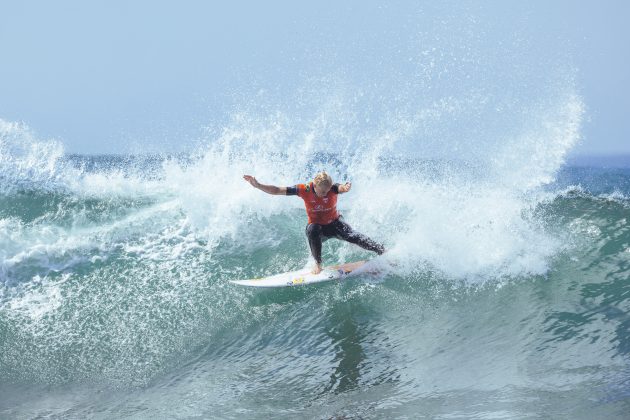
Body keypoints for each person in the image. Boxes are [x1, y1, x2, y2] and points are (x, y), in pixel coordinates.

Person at [243, 171, 385, 274]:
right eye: (322, 191)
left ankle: (382, 250)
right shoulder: (304, 189)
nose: (326, 193)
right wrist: (258, 185)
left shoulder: (332, 188)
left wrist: (345, 188)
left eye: (328, 190)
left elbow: (340, 187)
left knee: (353, 236)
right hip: (318, 228)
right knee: (312, 230)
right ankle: (318, 264)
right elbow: (277, 190)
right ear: (314, 186)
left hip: (334, 224)